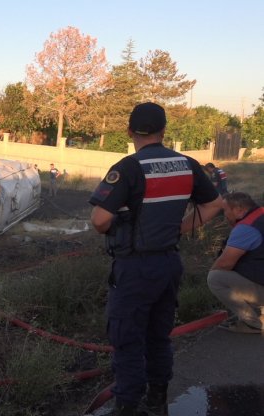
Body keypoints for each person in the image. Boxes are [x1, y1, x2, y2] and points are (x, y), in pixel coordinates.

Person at [89, 102, 223, 415]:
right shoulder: (187, 165)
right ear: (164, 131)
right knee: (158, 336)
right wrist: (179, 228)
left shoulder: (128, 168)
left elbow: (98, 220)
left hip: (135, 268)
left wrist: (120, 225)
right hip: (168, 264)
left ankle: (128, 404)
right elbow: (215, 204)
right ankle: (157, 399)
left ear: (129, 131)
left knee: (128, 338)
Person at [207, 192, 264, 334]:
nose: (224, 215)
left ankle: (252, 323)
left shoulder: (246, 228)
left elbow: (224, 264)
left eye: (225, 210)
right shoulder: (260, 214)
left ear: (239, 210)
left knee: (215, 278)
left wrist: (212, 270)